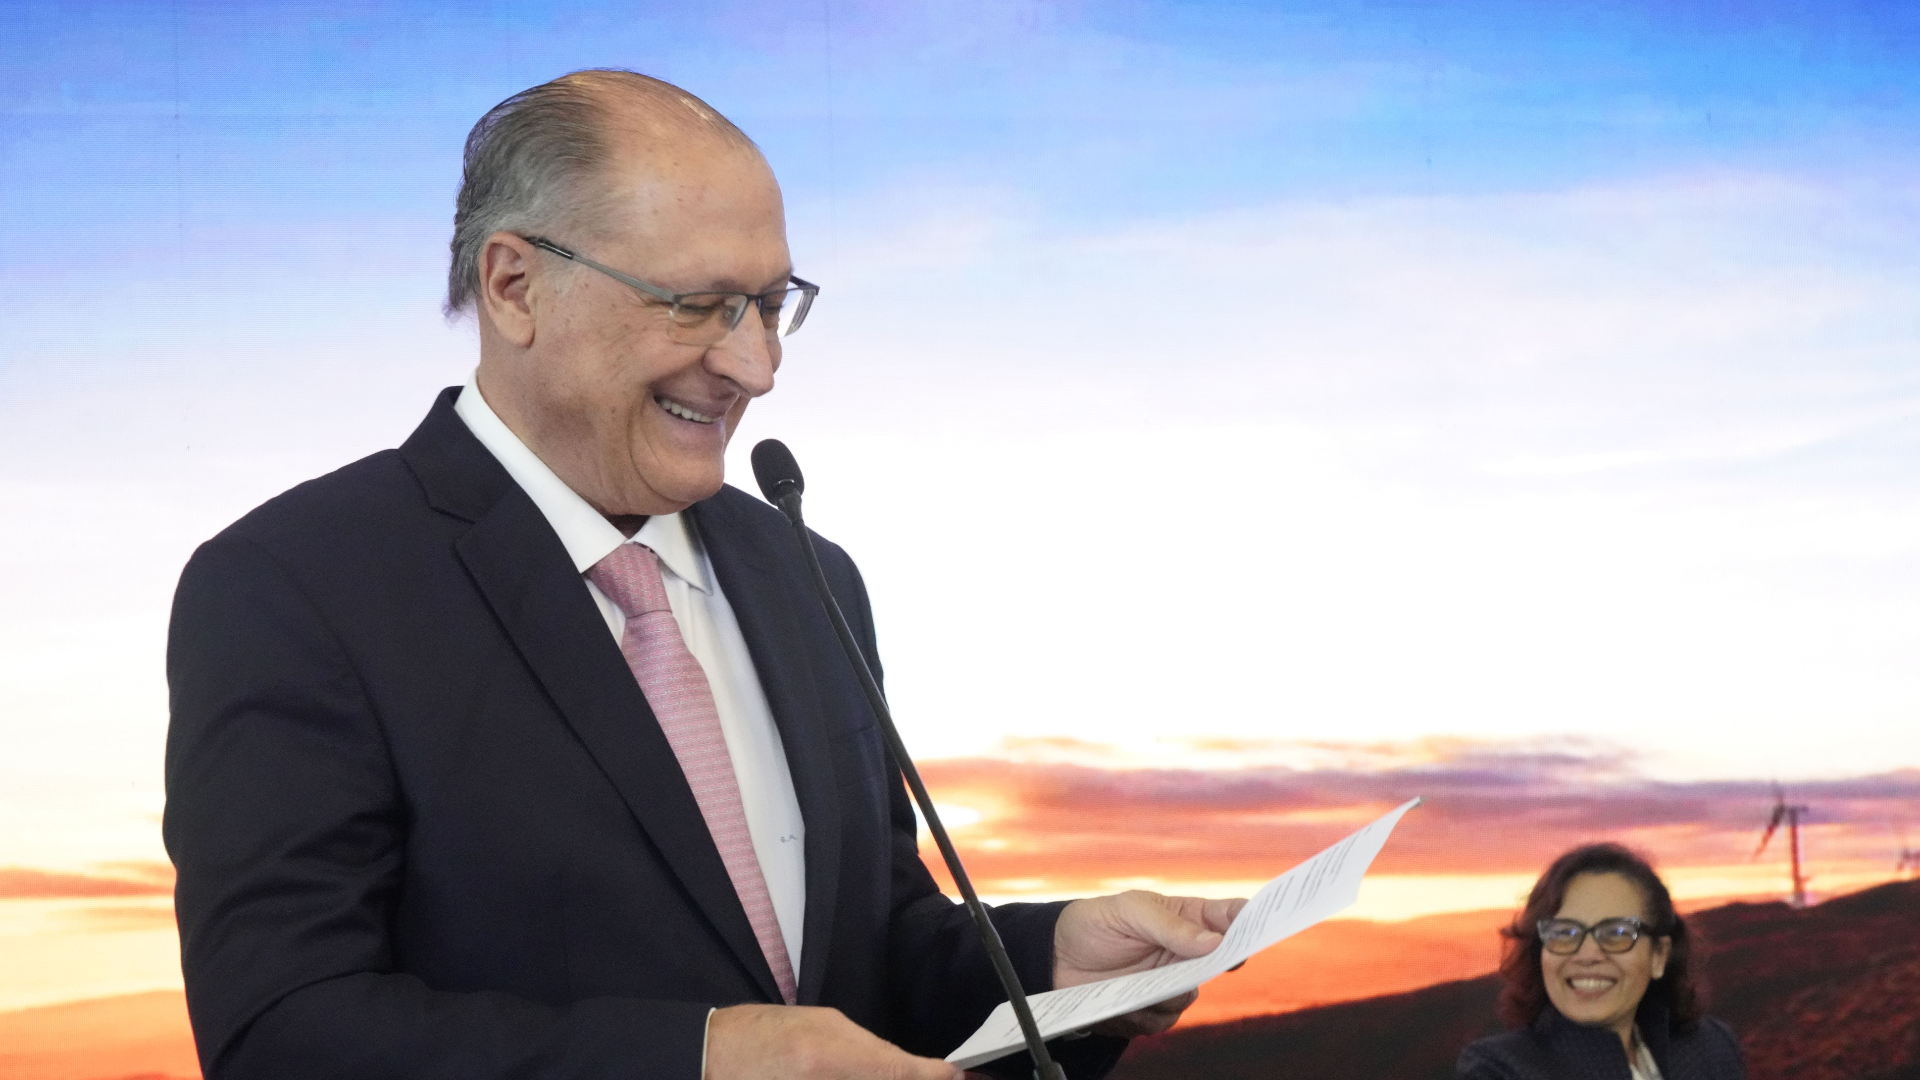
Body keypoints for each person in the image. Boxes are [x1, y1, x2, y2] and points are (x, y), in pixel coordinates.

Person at [162, 69, 1243, 1080]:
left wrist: (1051, 959)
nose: (757, 367)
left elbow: (871, 958)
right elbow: (285, 1032)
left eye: (771, 304)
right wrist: (708, 1058)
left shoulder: (807, 573)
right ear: (513, 285)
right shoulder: (292, 588)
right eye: (697, 304)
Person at [1456, 843, 1747, 1080]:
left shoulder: (1711, 1047)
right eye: (1565, 932)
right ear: (1540, 953)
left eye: (1617, 932)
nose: (1588, 955)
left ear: (1658, 955)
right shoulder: (1499, 1070)